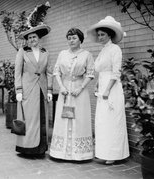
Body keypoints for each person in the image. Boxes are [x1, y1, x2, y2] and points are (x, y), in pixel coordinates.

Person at [87, 16, 130, 164]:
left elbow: (116, 72)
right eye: (98, 35)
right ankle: (104, 152)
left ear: (109, 35)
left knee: (112, 121)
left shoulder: (115, 49)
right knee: (102, 121)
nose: (100, 37)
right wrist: (98, 84)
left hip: (112, 88)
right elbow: (101, 70)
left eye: (102, 35)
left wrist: (107, 90)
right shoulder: (103, 50)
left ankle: (114, 155)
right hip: (103, 87)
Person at [49, 28, 95, 161]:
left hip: (79, 92)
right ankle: (60, 152)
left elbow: (90, 74)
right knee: (63, 117)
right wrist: (61, 87)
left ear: (80, 39)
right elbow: (57, 72)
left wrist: (80, 88)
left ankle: (79, 154)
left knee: (79, 118)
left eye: (74, 38)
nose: (71, 41)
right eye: (69, 38)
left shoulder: (87, 54)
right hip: (65, 91)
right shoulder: (62, 53)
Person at [14, 23, 53, 157]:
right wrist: (18, 90)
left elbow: (49, 73)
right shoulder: (23, 51)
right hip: (27, 90)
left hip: (41, 89)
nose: (32, 40)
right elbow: (17, 73)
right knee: (29, 120)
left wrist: (49, 90)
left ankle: (40, 149)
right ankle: (27, 148)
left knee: (41, 119)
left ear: (39, 38)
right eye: (29, 38)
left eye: (34, 37)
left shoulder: (45, 52)